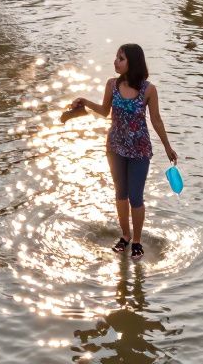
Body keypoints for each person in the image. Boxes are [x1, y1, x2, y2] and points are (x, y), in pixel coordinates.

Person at [70, 44, 177, 261]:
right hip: (115, 148)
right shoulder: (112, 84)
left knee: (136, 197)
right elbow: (103, 111)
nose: (115, 61)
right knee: (121, 194)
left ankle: (137, 241)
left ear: (133, 62)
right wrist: (85, 101)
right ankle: (125, 236)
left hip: (139, 151)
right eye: (116, 57)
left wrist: (167, 146)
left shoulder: (149, 90)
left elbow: (156, 120)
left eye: (121, 58)